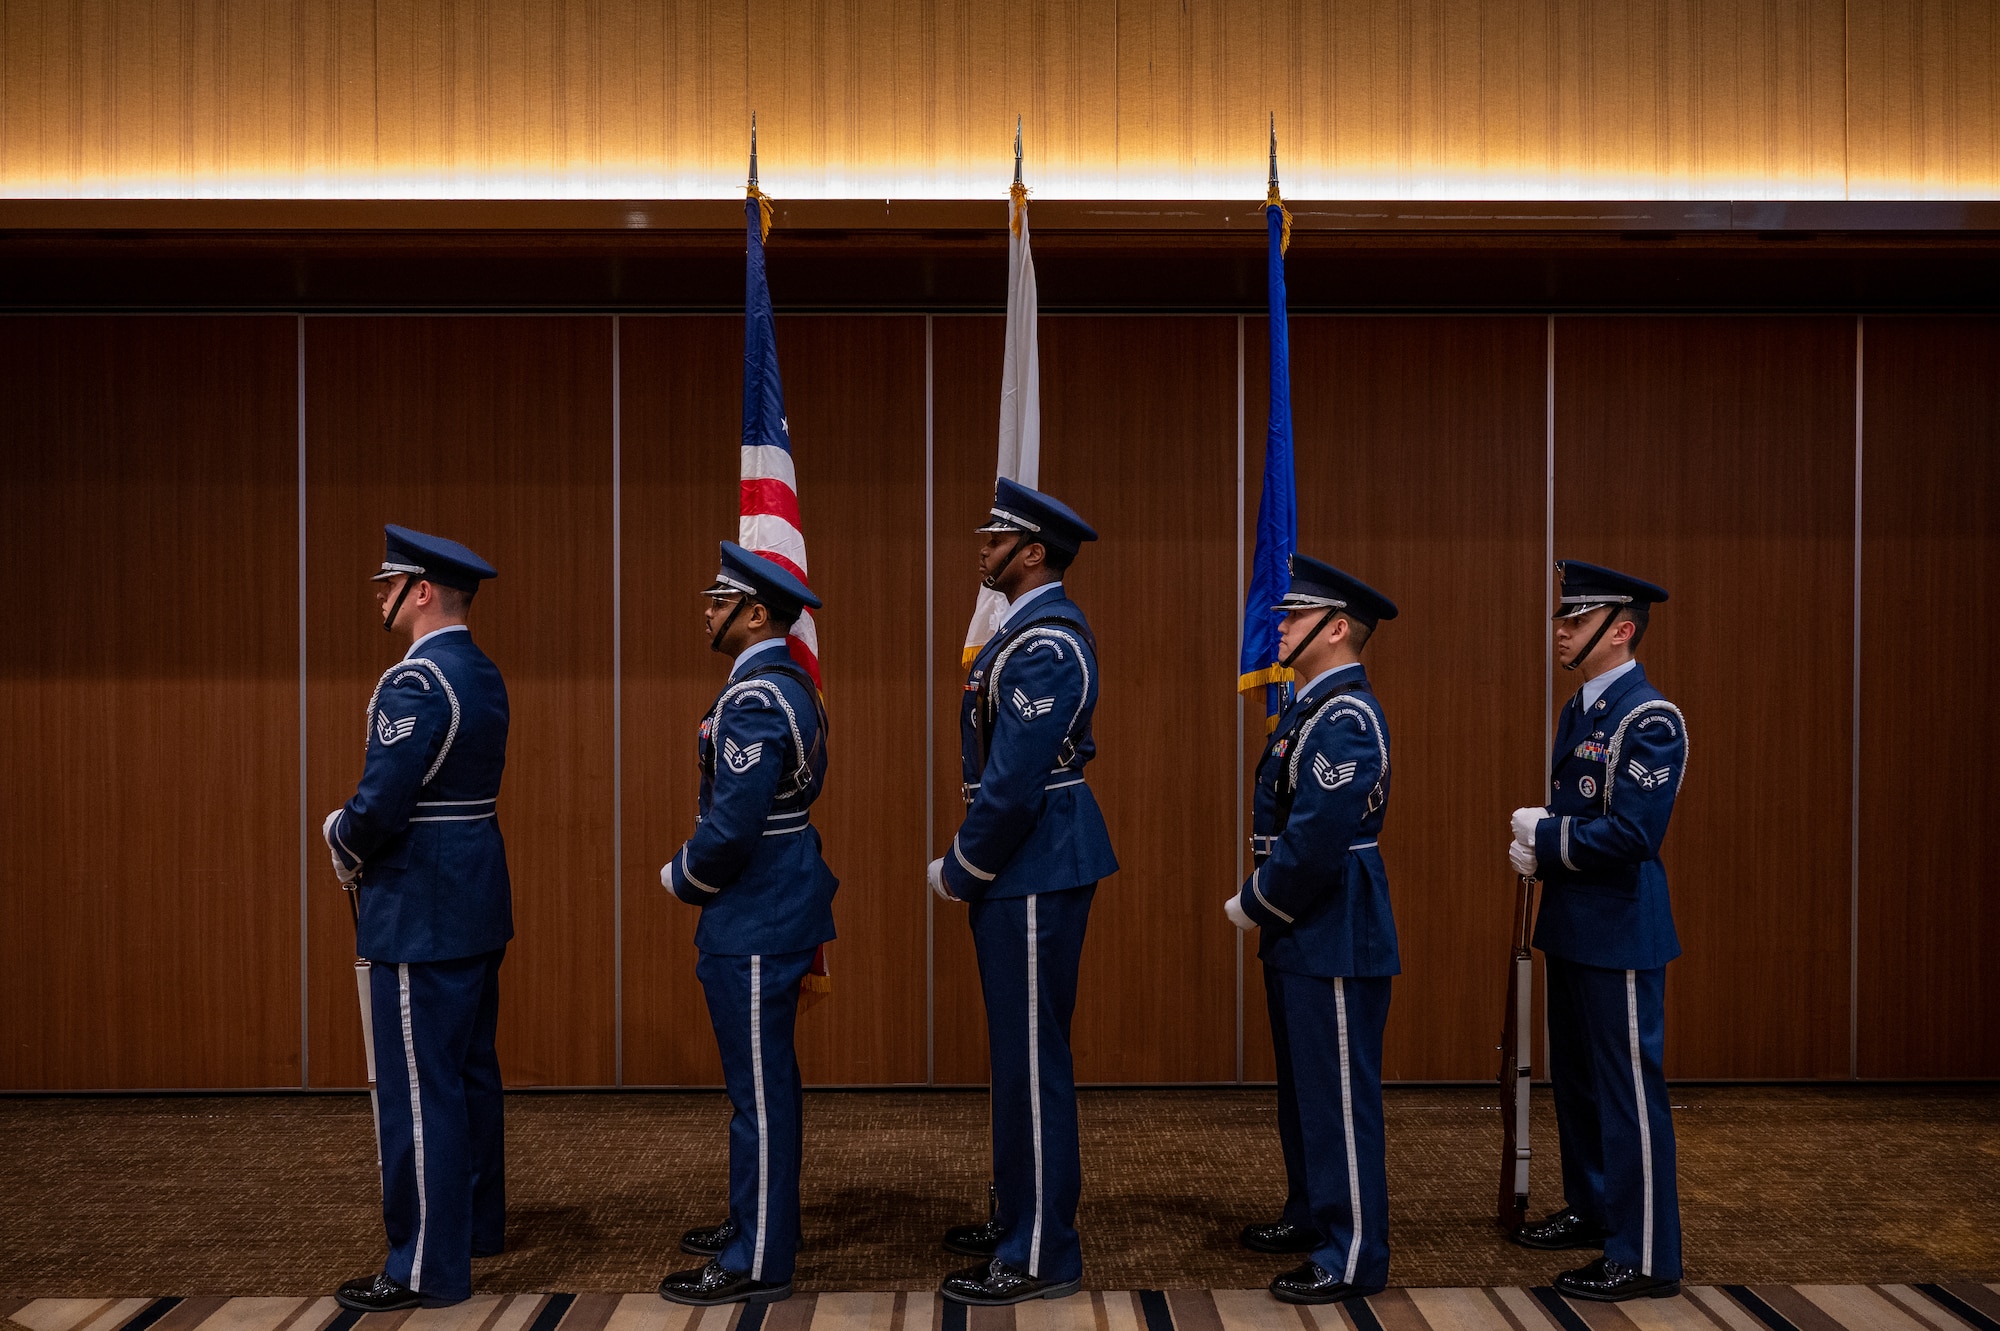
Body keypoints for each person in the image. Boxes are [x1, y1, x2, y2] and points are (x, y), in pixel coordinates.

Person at [928, 478, 1118, 1306]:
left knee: (1033, 1062)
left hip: (1033, 864)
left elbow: (1012, 781)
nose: (982, 546)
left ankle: (1041, 1249)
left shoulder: (1047, 641)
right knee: (1018, 1055)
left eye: (994, 537)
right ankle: (1020, 1213)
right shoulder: (1024, 632)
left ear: (1032, 551)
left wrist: (963, 864)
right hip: (1025, 863)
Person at [326, 524, 511, 1312]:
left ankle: (423, 1267)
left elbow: (381, 804)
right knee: (468, 1074)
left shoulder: (416, 682)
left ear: (422, 591)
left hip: (418, 907)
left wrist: (339, 834)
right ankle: (474, 1226)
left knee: (417, 1088)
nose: (379, 592)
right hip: (473, 897)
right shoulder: (484, 671)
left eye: (389, 581)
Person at [656, 542, 837, 1308]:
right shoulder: (782, 685)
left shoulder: (757, 697)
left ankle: (758, 1254)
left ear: (755, 612)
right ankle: (760, 1220)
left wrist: (686, 874)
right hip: (774, 900)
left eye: (718, 598)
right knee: (766, 1084)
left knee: (757, 1091)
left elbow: (733, 823)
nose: (706, 608)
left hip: (756, 907)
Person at [1507, 559, 1686, 1303]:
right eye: (1560, 618)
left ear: (1619, 630)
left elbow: (1635, 833)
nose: (1559, 630)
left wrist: (1549, 839)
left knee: (1628, 1093)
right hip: (1576, 923)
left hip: (1620, 925)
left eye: (1574, 621)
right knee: (1577, 1084)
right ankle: (1592, 1206)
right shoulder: (1581, 710)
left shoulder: (1650, 717)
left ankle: (1644, 1254)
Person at [1227, 554, 1400, 1305]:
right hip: (1306, 921)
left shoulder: (1347, 716)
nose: (1280, 625)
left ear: (1335, 629)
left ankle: (1353, 1248)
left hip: (1332, 917)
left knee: (1336, 1093)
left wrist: (1260, 898)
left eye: (1294, 617)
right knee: (1304, 1088)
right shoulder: (1312, 707)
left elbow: (1319, 837)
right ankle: (1311, 1212)